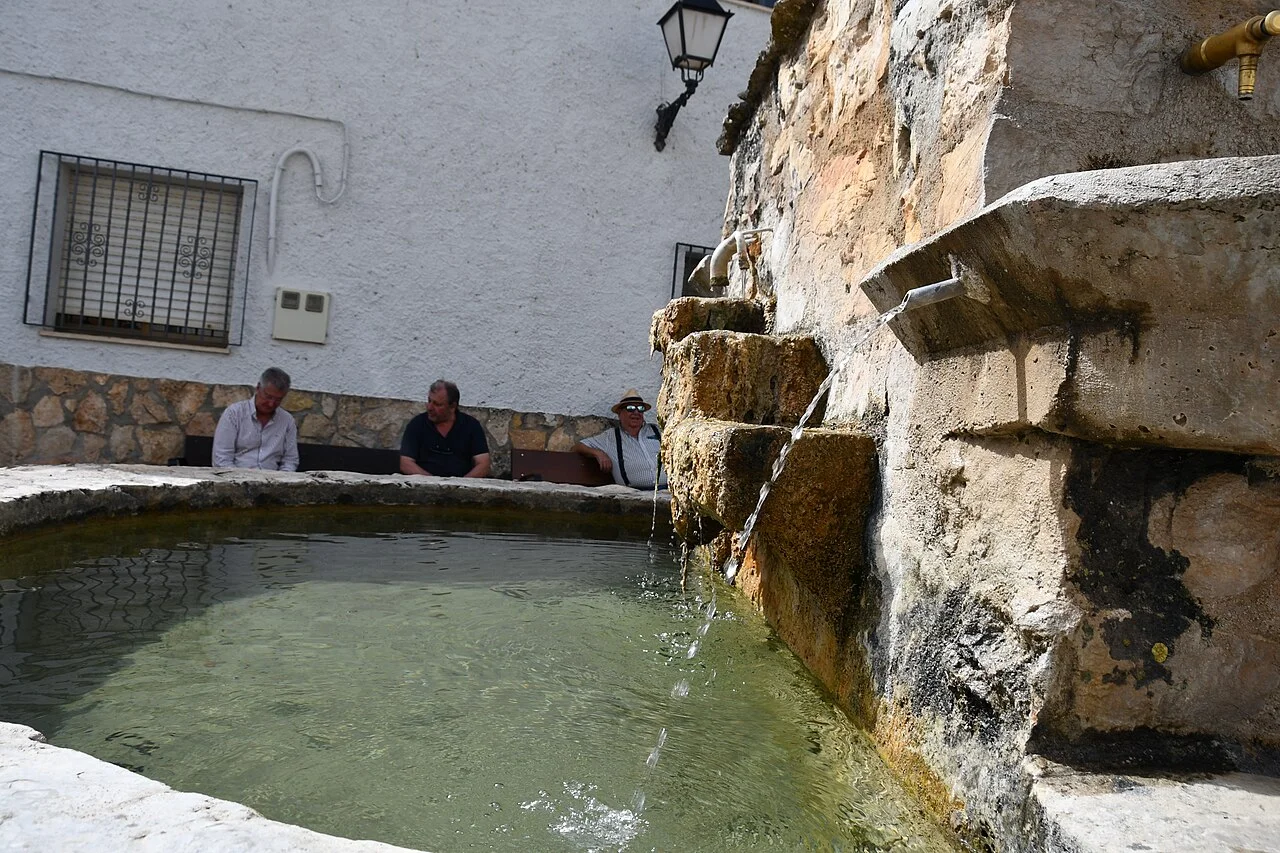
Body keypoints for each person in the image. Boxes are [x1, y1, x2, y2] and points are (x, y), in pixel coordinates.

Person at [574, 389, 666, 490]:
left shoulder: (657, 431)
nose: (636, 412)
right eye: (630, 408)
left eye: (640, 408)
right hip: (636, 495)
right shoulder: (610, 437)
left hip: (668, 491)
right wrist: (598, 453)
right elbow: (578, 446)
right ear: (620, 413)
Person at [399, 379, 492, 478]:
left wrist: (460, 486)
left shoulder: (471, 426)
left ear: (452, 406)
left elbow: (484, 465)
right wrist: (432, 483)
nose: (430, 407)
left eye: (437, 404)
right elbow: (406, 463)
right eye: (429, 401)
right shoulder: (417, 424)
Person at [212, 367, 300, 471]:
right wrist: (239, 481)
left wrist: (282, 480)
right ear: (258, 388)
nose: (271, 403)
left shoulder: (287, 421)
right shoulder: (234, 414)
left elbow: (290, 460)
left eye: (278, 400)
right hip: (236, 478)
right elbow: (221, 458)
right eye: (268, 397)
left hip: (273, 481)